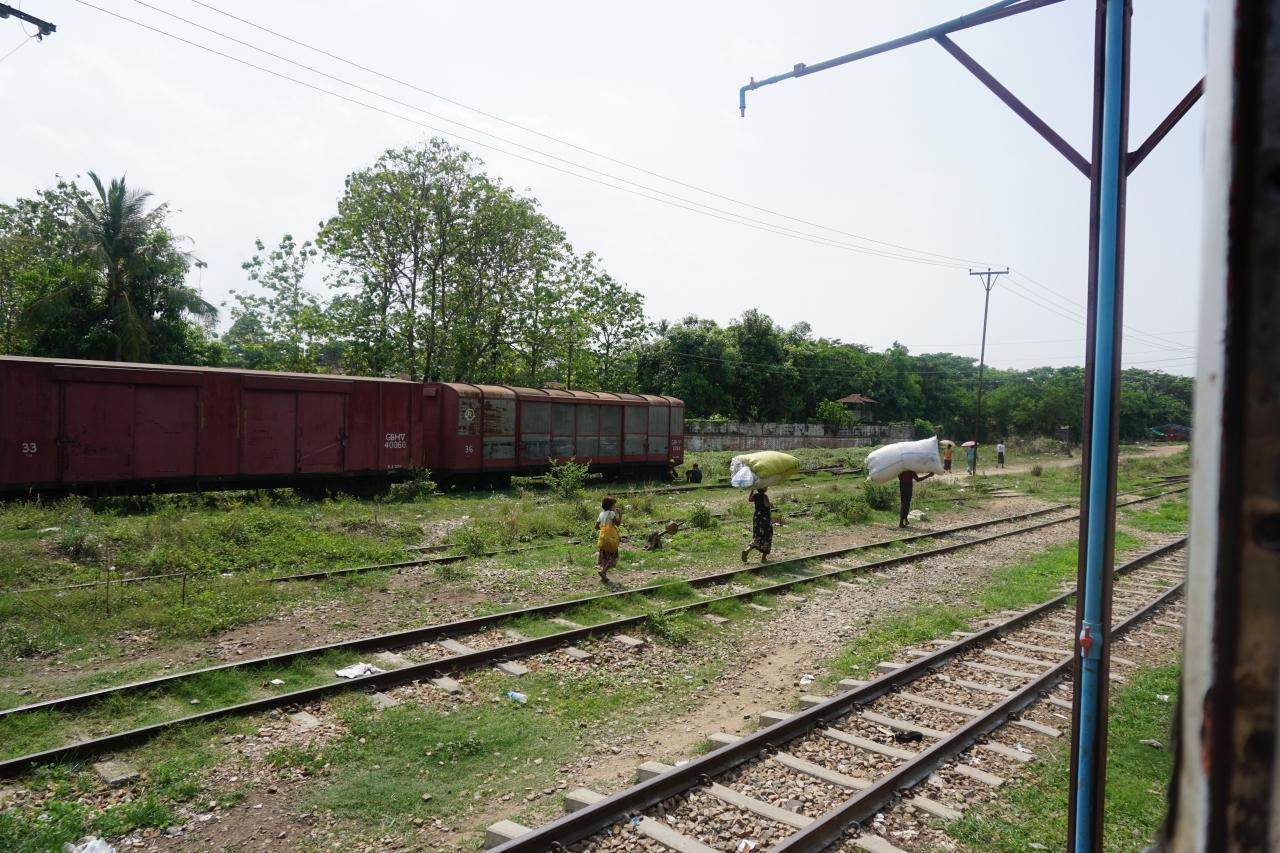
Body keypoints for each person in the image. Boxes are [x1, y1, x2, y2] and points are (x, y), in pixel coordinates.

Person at [741, 487, 773, 563]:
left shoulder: (755, 496)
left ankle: (747, 550)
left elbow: (750, 499)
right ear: (764, 488)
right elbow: (766, 505)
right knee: (767, 536)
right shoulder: (765, 496)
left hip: (757, 518)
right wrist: (771, 504)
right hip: (765, 519)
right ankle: (763, 558)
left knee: (757, 536)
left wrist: (752, 490)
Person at [595, 496, 622, 582]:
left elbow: (596, 526)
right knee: (613, 557)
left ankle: (604, 576)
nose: (615, 507)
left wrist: (604, 530)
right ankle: (603, 572)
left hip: (603, 538)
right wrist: (620, 515)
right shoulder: (611, 513)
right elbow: (618, 524)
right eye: (614, 505)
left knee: (605, 556)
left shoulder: (601, 514)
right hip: (611, 539)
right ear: (610, 506)